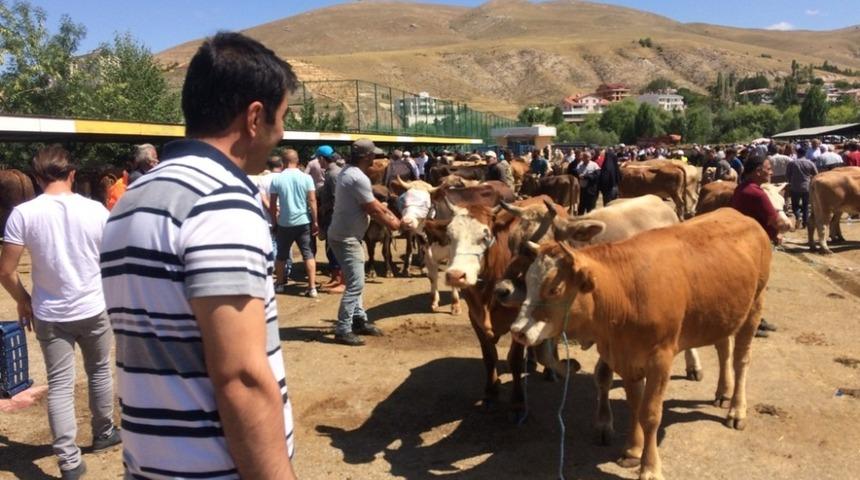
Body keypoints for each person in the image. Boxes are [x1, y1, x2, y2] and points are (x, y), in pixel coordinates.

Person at [100, 32, 298, 479]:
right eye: (281, 118)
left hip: (150, 462)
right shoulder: (221, 201)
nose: (281, 133)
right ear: (254, 117)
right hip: (216, 469)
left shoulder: (133, 199)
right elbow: (242, 377)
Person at [0, 145, 119, 480]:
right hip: (94, 306)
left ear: (37, 178)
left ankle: (68, 461)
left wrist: (23, 300)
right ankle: (103, 432)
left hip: (50, 313)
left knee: (61, 384)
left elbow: (6, 270)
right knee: (98, 372)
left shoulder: (23, 214)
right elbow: (110, 260)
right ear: (72, 174)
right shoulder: (96, 211)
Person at [328, 139, 401, 346]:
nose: (376, 159)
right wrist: (395, 225)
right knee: (356, 284)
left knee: (355, 281)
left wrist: (390, 215)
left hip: (346, 235)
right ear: (367, 157)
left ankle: (359, 320)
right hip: (347, 238)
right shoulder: (357, 177)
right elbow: (373, 208)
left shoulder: (348, 171)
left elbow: (374, 203)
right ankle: (343, 329)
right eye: (374, 155)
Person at [731, 155, 781, 337]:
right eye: (768, 169)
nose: (771, 172)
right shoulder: (757, 193)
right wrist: (785, 228)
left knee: (753, 285)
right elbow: (774, 219)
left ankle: (756, 318)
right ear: (758, 171)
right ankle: (749, 322)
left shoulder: (742, 188)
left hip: (742, 242)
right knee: (756, 285)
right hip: (755, 245)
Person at [270, 149, 319, 297]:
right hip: (304, 221)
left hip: (285, 222)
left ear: (283, 162)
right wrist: (315, 221)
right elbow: (312, 201)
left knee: (281, 256)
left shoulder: (277, 179)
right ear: (297, 161)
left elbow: (273, 204)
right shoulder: (306, 178)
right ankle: (312, 288)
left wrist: (274, 222)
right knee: (308, 254)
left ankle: (279, 284)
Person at [785, 150, 818, 229]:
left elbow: (787, 175)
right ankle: (805, 223)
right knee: (806, 206)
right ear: (805, 154)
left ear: (797, 154)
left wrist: (790, 181)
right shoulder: (810, 163)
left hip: (795, 187)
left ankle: (797, 216)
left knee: (795, 206)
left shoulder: (792, 163)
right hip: (806, 187)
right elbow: (816, 174)